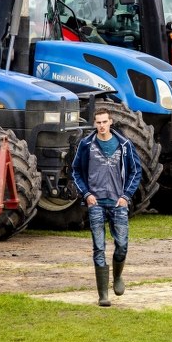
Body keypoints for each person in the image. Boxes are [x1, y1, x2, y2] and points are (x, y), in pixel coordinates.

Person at [71, 109, 142, 307]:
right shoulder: (86, 145)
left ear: (110, 122)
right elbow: (76, 171)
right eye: (98, 122)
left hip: (118, 203)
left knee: (121, 245)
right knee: (99, 248)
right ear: (94, 124)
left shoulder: (124, 145)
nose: (101, 125)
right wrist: (87, 195)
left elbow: (136, 171)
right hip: (96, 203)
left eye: (104, 122)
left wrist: (126, 196)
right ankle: (103, 294)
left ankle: (117, 277)